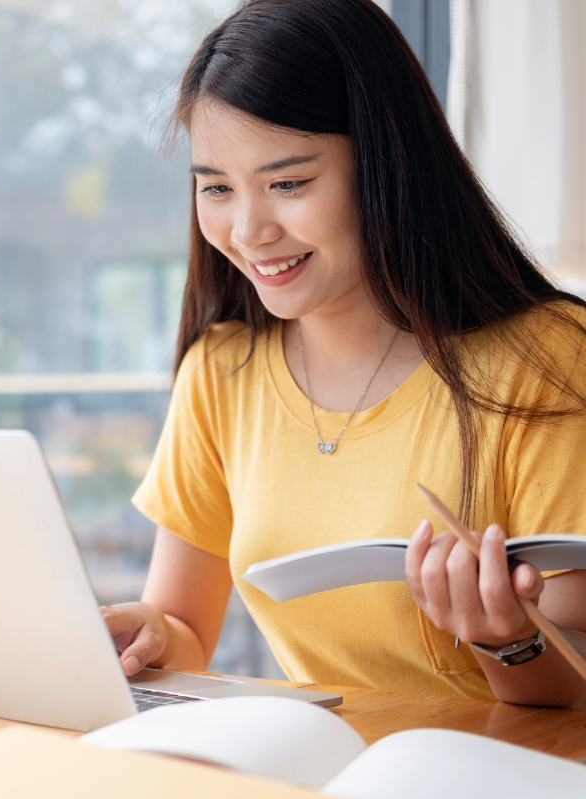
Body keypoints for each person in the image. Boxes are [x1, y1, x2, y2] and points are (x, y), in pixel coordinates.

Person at [102, 0, 586, 709]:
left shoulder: (546, 357)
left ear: (385, 164)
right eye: (216, 189)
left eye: (288, 183)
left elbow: (576, 688)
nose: (248, 229)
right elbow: (182, 629)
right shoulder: (222, 368)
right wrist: (143, 634)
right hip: (323, 765)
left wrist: (506, 637)